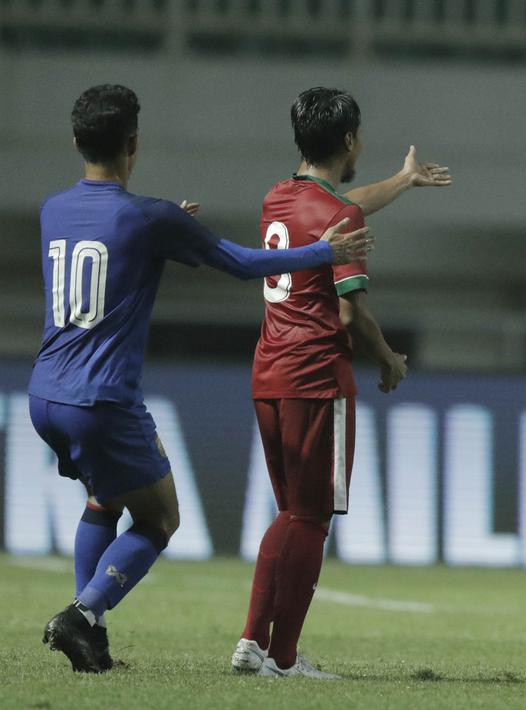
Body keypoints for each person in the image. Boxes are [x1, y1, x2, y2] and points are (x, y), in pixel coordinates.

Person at [34, 84, 371, 673]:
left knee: (103, 497)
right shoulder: (150, 217)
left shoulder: (52, 210)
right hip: (102, 399)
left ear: (75, 141)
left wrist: (166, 227)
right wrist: (320, 252)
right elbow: (243, 264)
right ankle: (82, 615)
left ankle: (93, 638)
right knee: (161, 518)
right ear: (133, 143)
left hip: (43, 395)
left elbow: (109, 248)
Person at [230, 87, 451, 679]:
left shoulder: (279, 198)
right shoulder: (339, 218)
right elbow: (352, 313)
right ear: (350, 139)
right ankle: (282, 656)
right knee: (312, 516)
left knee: (291, 513)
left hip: (269, 374)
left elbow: (342, 201)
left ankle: (254, 641)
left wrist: (402, 181)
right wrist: (388, 359)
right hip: (316, 378)